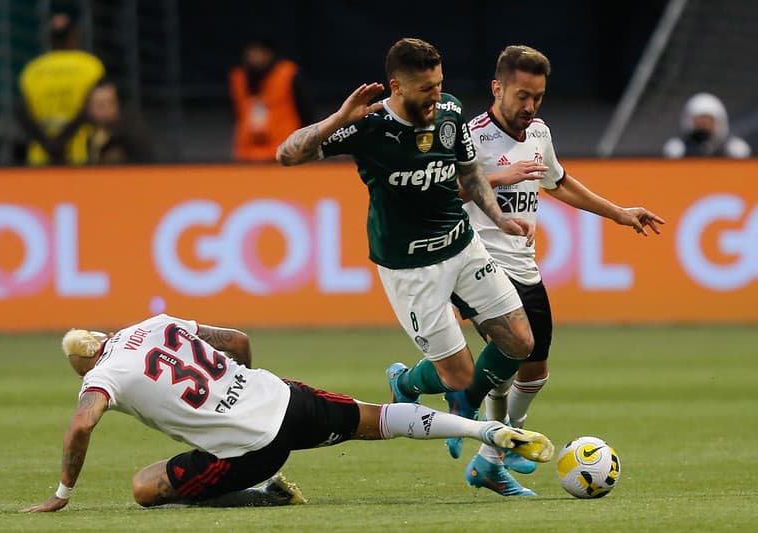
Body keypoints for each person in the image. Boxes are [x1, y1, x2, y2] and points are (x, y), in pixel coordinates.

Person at [276, 38, 542, 493]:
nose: (435, 96)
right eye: (425, 89)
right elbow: (288, 154)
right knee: (457, 376)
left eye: (439, 85)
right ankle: (405, 380)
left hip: (462, 245)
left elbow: (469, 170)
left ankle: (451, 397)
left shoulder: (451, 112)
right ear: (396, 87)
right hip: (410, 269)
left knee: (521, 341)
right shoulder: (368, 125)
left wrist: (498, 217)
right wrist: (341, 117)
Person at [20, 313, 554, 512]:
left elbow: (82, 424)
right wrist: (245, 384)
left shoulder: (99, 377)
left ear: (83, 361)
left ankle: (265, 493)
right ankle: (487, 427)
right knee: (379, 419)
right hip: (282, 397)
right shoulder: (156, 324)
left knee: (144, 487)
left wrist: (63, 493)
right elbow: (237, 338)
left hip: (252, 448)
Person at [442, 44, 665, 496]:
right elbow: (440, 197)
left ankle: (498, 450)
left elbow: (557, 182)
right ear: (497, 88)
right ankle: (490, 440)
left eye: (538, 97)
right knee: (506, 358)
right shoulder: (472, 136)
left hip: (524, 267)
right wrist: (499, 178)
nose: (529, 106)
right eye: (522, 95)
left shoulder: (539, 132)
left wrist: (619, 213)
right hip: (478, 264)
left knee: (534, 371)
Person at [16, 12, 105, 165]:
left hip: (40, 155)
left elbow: (21, 111)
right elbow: (93, 108)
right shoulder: (91, 66)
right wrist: (63, 140)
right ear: (74, 36)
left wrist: (48, 143)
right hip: (80, 153)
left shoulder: (32, 70)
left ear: (49, 38)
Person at [228, 37, 314, 162]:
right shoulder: (239, 78)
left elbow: (306, 111)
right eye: (252, 52)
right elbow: (236, 113)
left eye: (260, 52)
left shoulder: (288, 74)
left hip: (284, 151)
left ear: (270, 54)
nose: (256, 57)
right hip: (246, 154)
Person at [662, 92, 752, 158]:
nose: (703, 126)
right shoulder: (678, 150)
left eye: (708, 121)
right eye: (699, 121)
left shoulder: (733, 150)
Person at [86, 78, 153, 164]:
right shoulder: (78, 130)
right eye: (100, 105)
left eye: (110, 103)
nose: (106, 110)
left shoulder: (132, 133)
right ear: (88, 107)